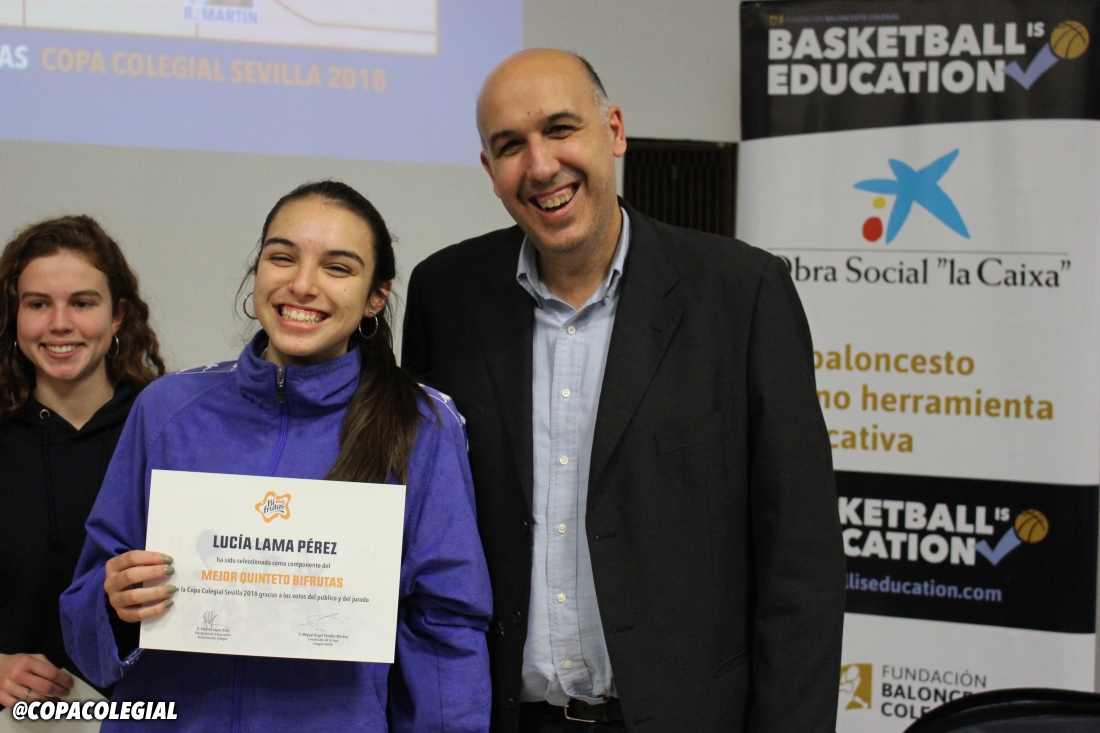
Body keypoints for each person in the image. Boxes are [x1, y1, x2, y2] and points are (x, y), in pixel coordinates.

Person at [402, 49, 846, 732]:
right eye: (510, 146)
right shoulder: (446, 296)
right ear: (489, 171)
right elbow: (423, 527)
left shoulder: (742, 294)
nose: (540, 165)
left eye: (560, 129)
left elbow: (801, 564)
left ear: (613, 130)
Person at [61, 181, 493, 731]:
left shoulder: (422, 425)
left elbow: (445, 627)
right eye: (282, 258)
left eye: (338, 268)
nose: (302, 284)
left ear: (376, 296)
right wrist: (113, 602)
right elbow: (84, 612)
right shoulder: (167, 409)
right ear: (257, 269)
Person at [0, 215, 165, 708]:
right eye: (38, 304)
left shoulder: (169, 433)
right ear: (14, 315)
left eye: (82, 303)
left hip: (148, 713)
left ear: (118, 316)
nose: (59, 324)